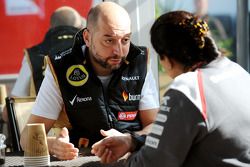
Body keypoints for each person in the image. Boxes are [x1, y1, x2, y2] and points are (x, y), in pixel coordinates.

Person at [91, 11, 250, 167]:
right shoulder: (238, 72)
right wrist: (133, 141)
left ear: (166, 59)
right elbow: (175, 137)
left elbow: (152, 163)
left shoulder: (187, 89)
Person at [20, 1, 159, 160]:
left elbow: (155, 126)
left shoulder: (139, 61)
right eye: (109, 40)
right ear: (87, 37)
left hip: (132, 159)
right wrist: (53, 145)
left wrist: (129, 140)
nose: (119, 51)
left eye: (125, 40)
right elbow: (26, 138)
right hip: (79, 160)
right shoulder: (61, 67)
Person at [2, 6, 85, 123]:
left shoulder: (33, 55)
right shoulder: (88, 51)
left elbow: (12, 110)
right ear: (80, 27)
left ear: (51, 27)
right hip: (87, 134)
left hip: (45, 135)